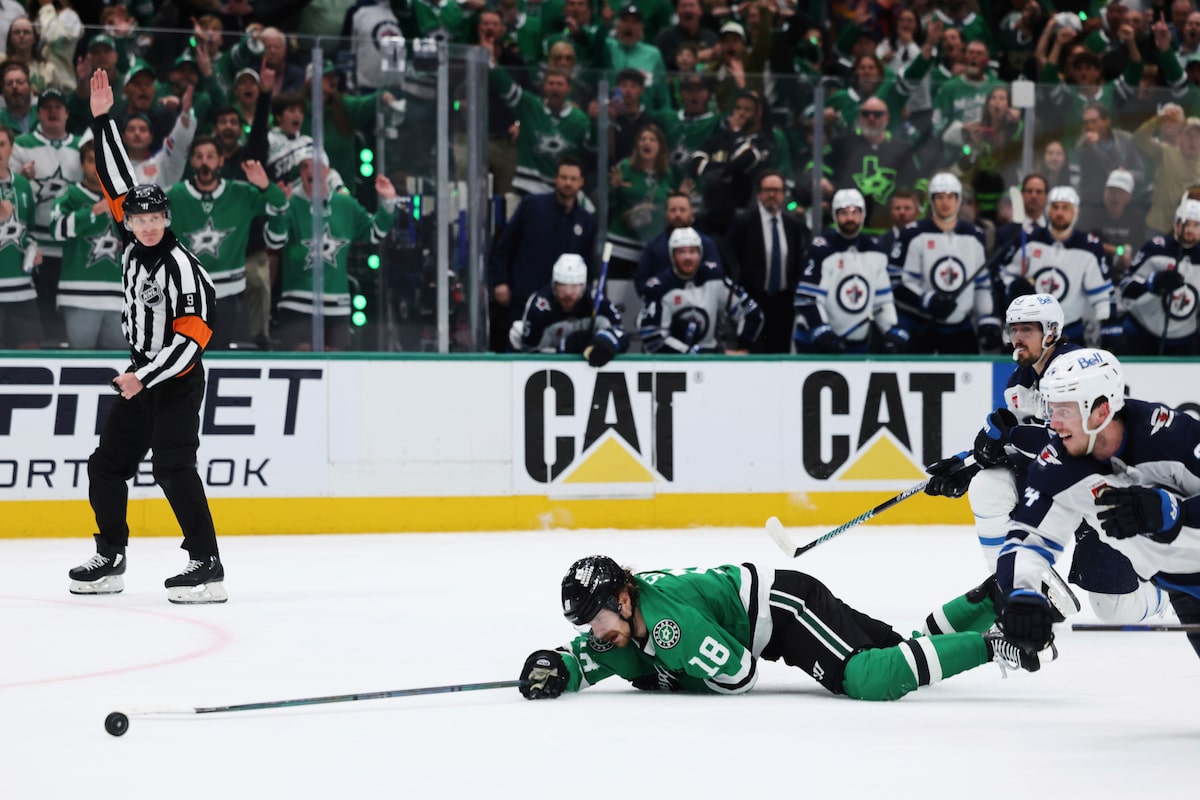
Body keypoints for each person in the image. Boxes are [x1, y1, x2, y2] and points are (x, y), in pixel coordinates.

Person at [67, 69, 225, 604]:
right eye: (140, 218)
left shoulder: (185, 270)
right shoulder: (133, 246)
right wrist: (102, 119)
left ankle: (207, 565)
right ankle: (110, 555)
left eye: (156, 216)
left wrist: (143, 377)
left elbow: (191, 342)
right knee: (106, 465)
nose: (149, 224)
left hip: (175, 378)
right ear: (129, 223)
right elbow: (117, 178)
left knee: (173, 467)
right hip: (141, 372)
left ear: (167, 217)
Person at [517, 554, 1044, 704]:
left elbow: (739, 675)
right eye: (586, 625)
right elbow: (591, 655)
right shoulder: (624, 618)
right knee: (906, 649)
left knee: (867, 678)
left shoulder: (669, 624)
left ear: (624, 599)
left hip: (786, 609)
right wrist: (556, 664)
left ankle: (997, 643)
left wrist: (666, 678)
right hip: (777, 600)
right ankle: (993, 597)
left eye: (597, 619)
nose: (595, 633)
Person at [994, 348, 1200, 660]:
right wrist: (1022, 593)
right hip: (1184, 587)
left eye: (1065, 410)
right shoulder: (1056, 465)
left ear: (1102, 411)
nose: (1053, 423)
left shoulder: (1173, 436)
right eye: (1051, 409)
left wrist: (1174, 513)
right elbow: (1027, 538)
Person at [263, 156, 398, 351]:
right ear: (300, 173)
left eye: (316, 166)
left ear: (327, 171)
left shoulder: (346, 205)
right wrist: (279, 208)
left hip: (336, 304)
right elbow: (274, 240)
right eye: (305, 166)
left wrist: (388, 202)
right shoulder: (291, 203)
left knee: (334, 363)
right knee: (301, 361)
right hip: (296, 303)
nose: (310, 171)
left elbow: (374, 232)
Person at [167, 137, 286, 350]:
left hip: (228, 292)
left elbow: (279, 204)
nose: (205, 162)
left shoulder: (241, 194)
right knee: (187, 356)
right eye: (199, 157)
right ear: (192, 161)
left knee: (219, 355)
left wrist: (265, 185)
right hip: (187, 293)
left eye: (210, 156)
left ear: (221, 160)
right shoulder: (175, 196)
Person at [489, 155, 595, 349]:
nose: (568, 183)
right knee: (517, 349)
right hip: (523, 298)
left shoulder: (586, 220)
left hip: (563, 304)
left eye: (573, 179)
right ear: (555, 179)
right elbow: (504, 246)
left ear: (581, 182)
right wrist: (500, 281)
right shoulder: (532, 206)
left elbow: (588, 262)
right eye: (563, 177)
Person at [888, 172, 997, 354]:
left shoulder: (974, 235)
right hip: (922, 326)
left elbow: (981, 285)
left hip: (962, 329)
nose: (945, 203)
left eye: (950, 197)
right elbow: (897, 282)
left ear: (959, 200)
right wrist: (927, 301)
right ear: (932, 201)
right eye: (939, 197)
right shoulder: (912, 234)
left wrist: (987, 318)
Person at [794, 188, 906, 355]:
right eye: (844, 213)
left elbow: (881, 301)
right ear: (835, 215)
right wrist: (821, 329)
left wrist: (891, 328)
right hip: (815, 343)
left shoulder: (875, 250)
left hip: (857, 344)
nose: (850, 218)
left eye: (855, 212)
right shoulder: (821, 248)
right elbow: (807, 299)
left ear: (863, 215)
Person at [994, 186, 1112, 344]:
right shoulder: (1029, 239)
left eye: (1065, 208)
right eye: (1055, 207)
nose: (1059, 213)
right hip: (1032, 331)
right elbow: (1005, 276)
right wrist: (1014, 295)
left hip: (1071, 331)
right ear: (1048, 210)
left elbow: (1102, 297)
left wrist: (1106, 333)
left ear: (1075, 212)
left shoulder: (1090, 247)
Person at [48, 140, 124, 349]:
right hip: (78, 296)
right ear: (82, 164)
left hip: (120, 296)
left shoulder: (126, 200)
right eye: (92, 161)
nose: (98, 168)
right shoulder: (69, 195)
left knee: (119, 363)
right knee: (80, 362)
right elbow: (56, 231)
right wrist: (92, 212)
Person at [638, 226, 762, 354]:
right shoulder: (658, 289)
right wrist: (693, 354)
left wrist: (743, 347)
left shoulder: (714, 277)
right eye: (682, 252)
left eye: (692, 251)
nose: (688, 257)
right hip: (671, 363)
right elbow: (653, 338)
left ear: (700, 254)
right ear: (672, 256)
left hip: (709, 360)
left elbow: (750, 307)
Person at [725, 170, 811, 354]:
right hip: (751, 301)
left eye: (776, 190)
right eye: (767, 190)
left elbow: (797, 263)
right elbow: (730, 260)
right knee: (752, 351)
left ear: (783, 194)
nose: (772, 194)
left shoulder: (793, 225)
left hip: (783, 302)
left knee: (780, 352)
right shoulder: (743, 222)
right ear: (759, 193)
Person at [509, 253, 627, 366]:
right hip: (551, 356)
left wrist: (606, 341)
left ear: (583, 285)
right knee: (517, 330)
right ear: (554, 284)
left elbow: (620, 332)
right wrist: (563, 348)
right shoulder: (540, 306)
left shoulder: (596, 299)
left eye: (574, 286)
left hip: (590, 362)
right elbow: (529, 351)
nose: (568, 293)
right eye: (562, 285)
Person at [1116, 198, 1200, 356]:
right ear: (1175, 224)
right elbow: (1125, 286)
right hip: (1142, 334)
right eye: (1186, 224)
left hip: (1184, 342)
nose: (1190, 230)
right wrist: (1153, 282)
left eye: (1196, 225)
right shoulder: (1155, 248)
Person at [0, 121, 38, 348]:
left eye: (1, 144)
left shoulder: (23, 185)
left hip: (22, 288)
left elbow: (29, 228)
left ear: (11, 148)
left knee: (31, 351)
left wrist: (34, 248)